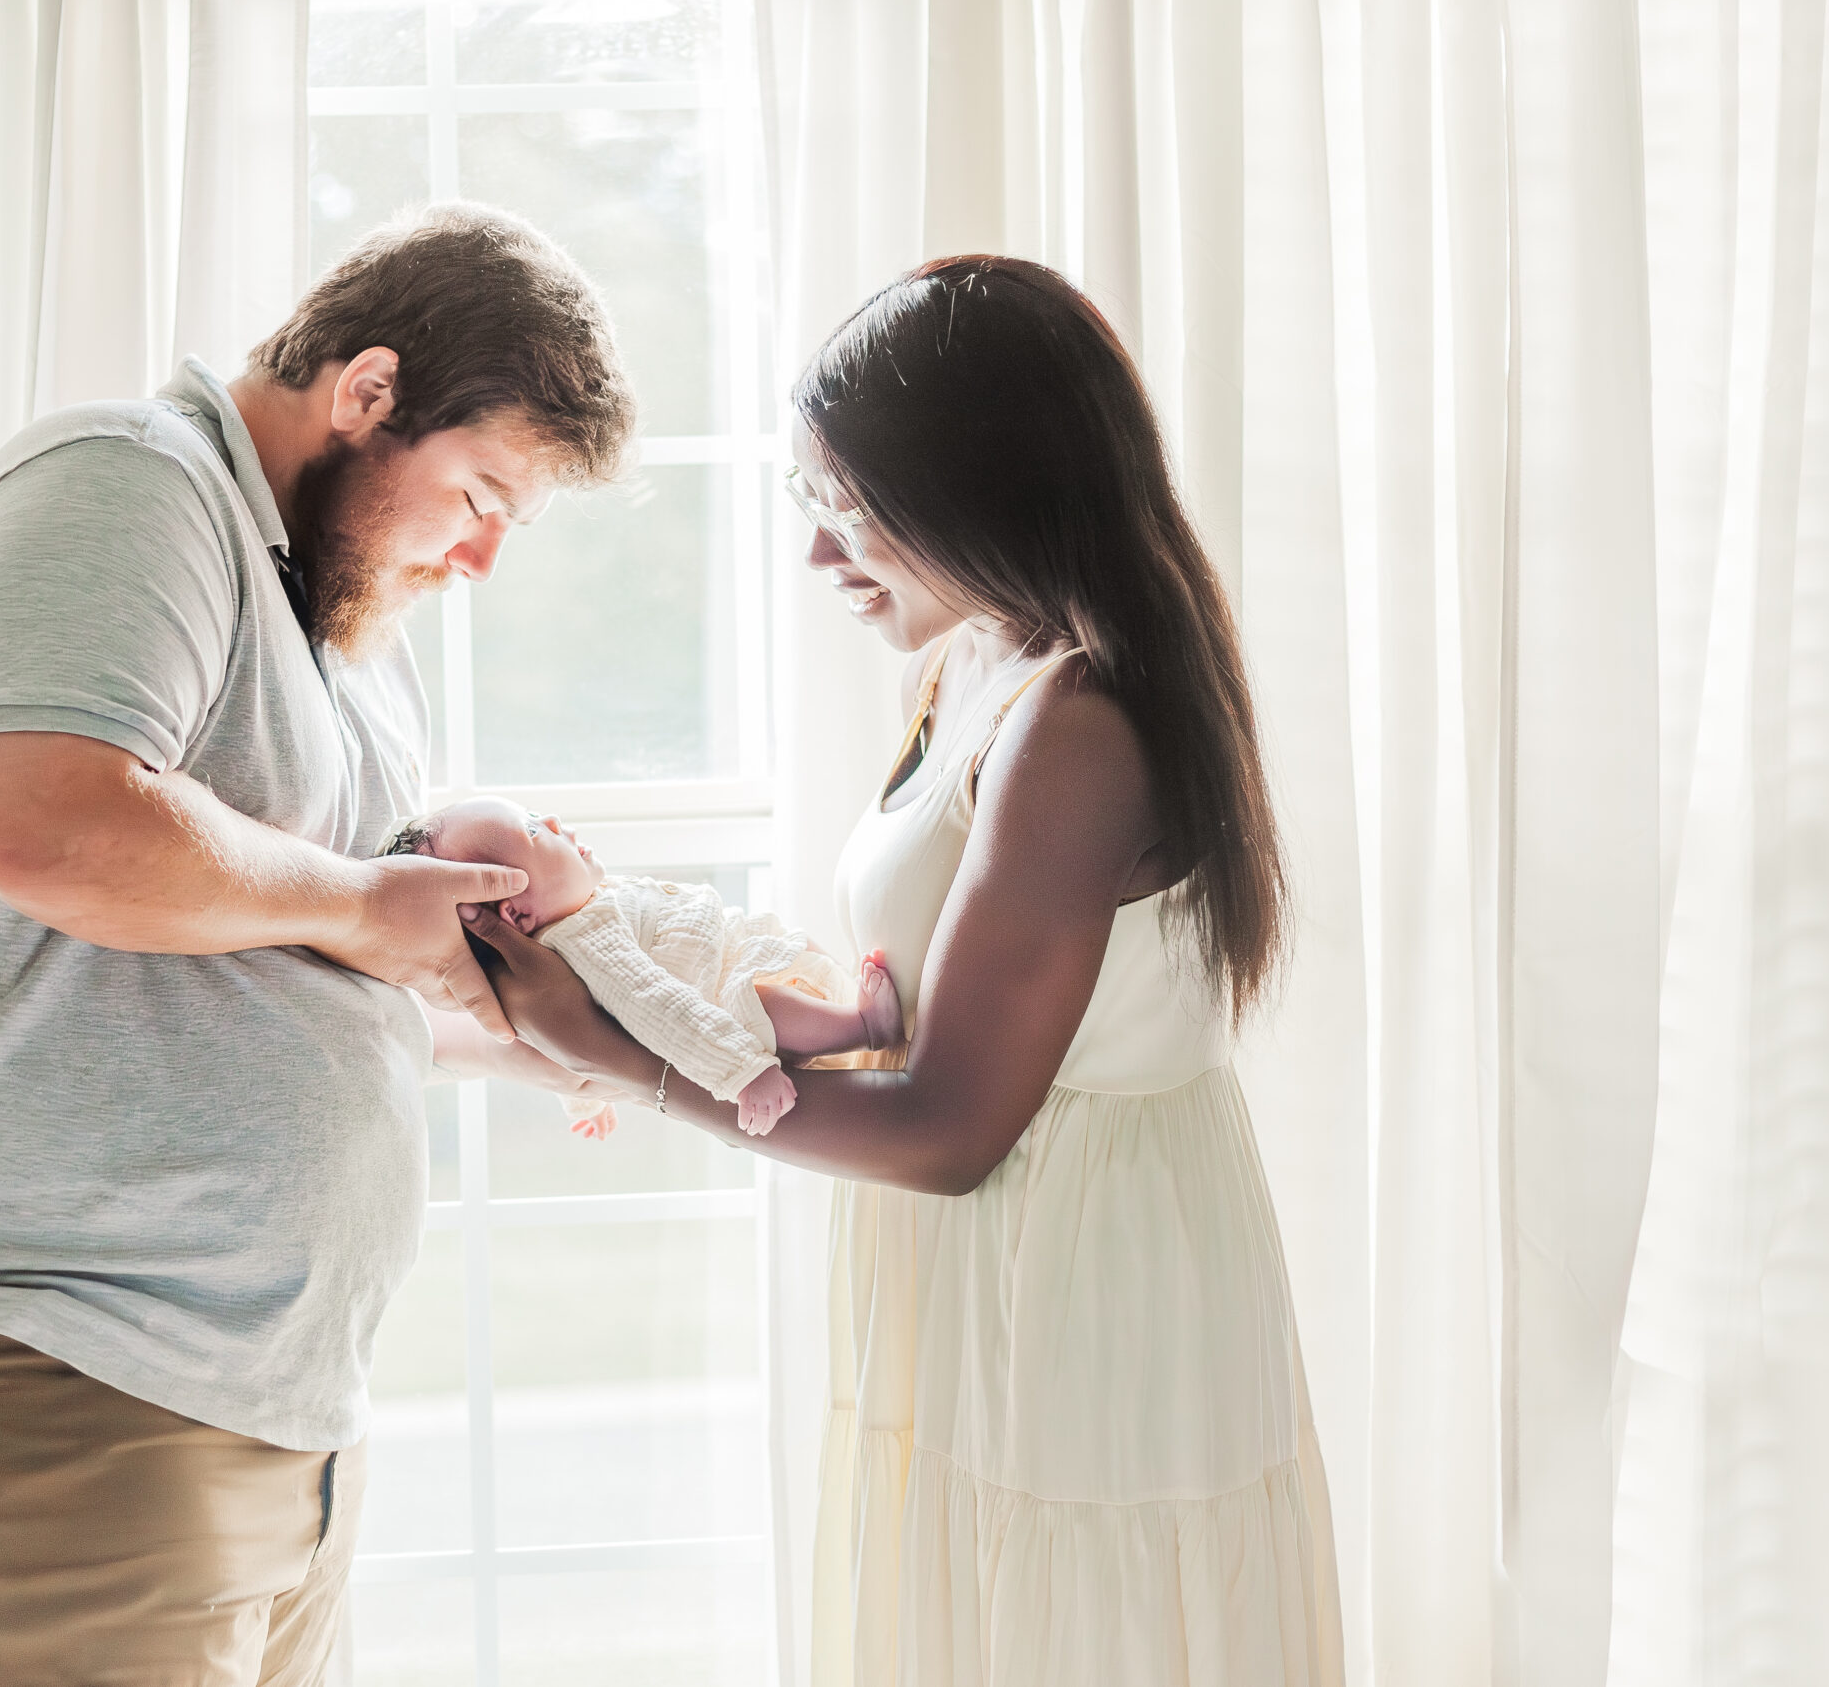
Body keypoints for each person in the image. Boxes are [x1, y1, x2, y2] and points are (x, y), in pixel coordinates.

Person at [0, 204, 635, 1687]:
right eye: (478, 495)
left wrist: (579, 1041)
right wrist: (360, 901)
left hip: (255, 1392)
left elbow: (300, 948)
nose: (477, 559)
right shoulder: (124, 482)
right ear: (368, 392)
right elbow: (48, 820)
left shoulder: (331, 632)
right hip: (38, 1352)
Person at [462, 257, 1344, 1684]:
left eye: (852, 512)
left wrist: (624, 1051)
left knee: (1074, 1628)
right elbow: (913, 995)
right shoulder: (975, 658)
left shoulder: (1079, 727)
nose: (823, 558)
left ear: (981, 497)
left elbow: (948, 1128)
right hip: (989, 1261)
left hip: (1079, 1276)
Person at [382, 795, 902, 1134]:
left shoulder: (584, 906)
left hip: (735, 954)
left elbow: (575, 1040)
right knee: (765, 1008)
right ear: (515, 911)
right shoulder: (585, 942)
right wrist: (744, 1074)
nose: (556, 821)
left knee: (775, 986)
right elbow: (655, 1009)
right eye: (535, 831)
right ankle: (863, 1028)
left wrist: (585, 1104)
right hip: (727, 1010)